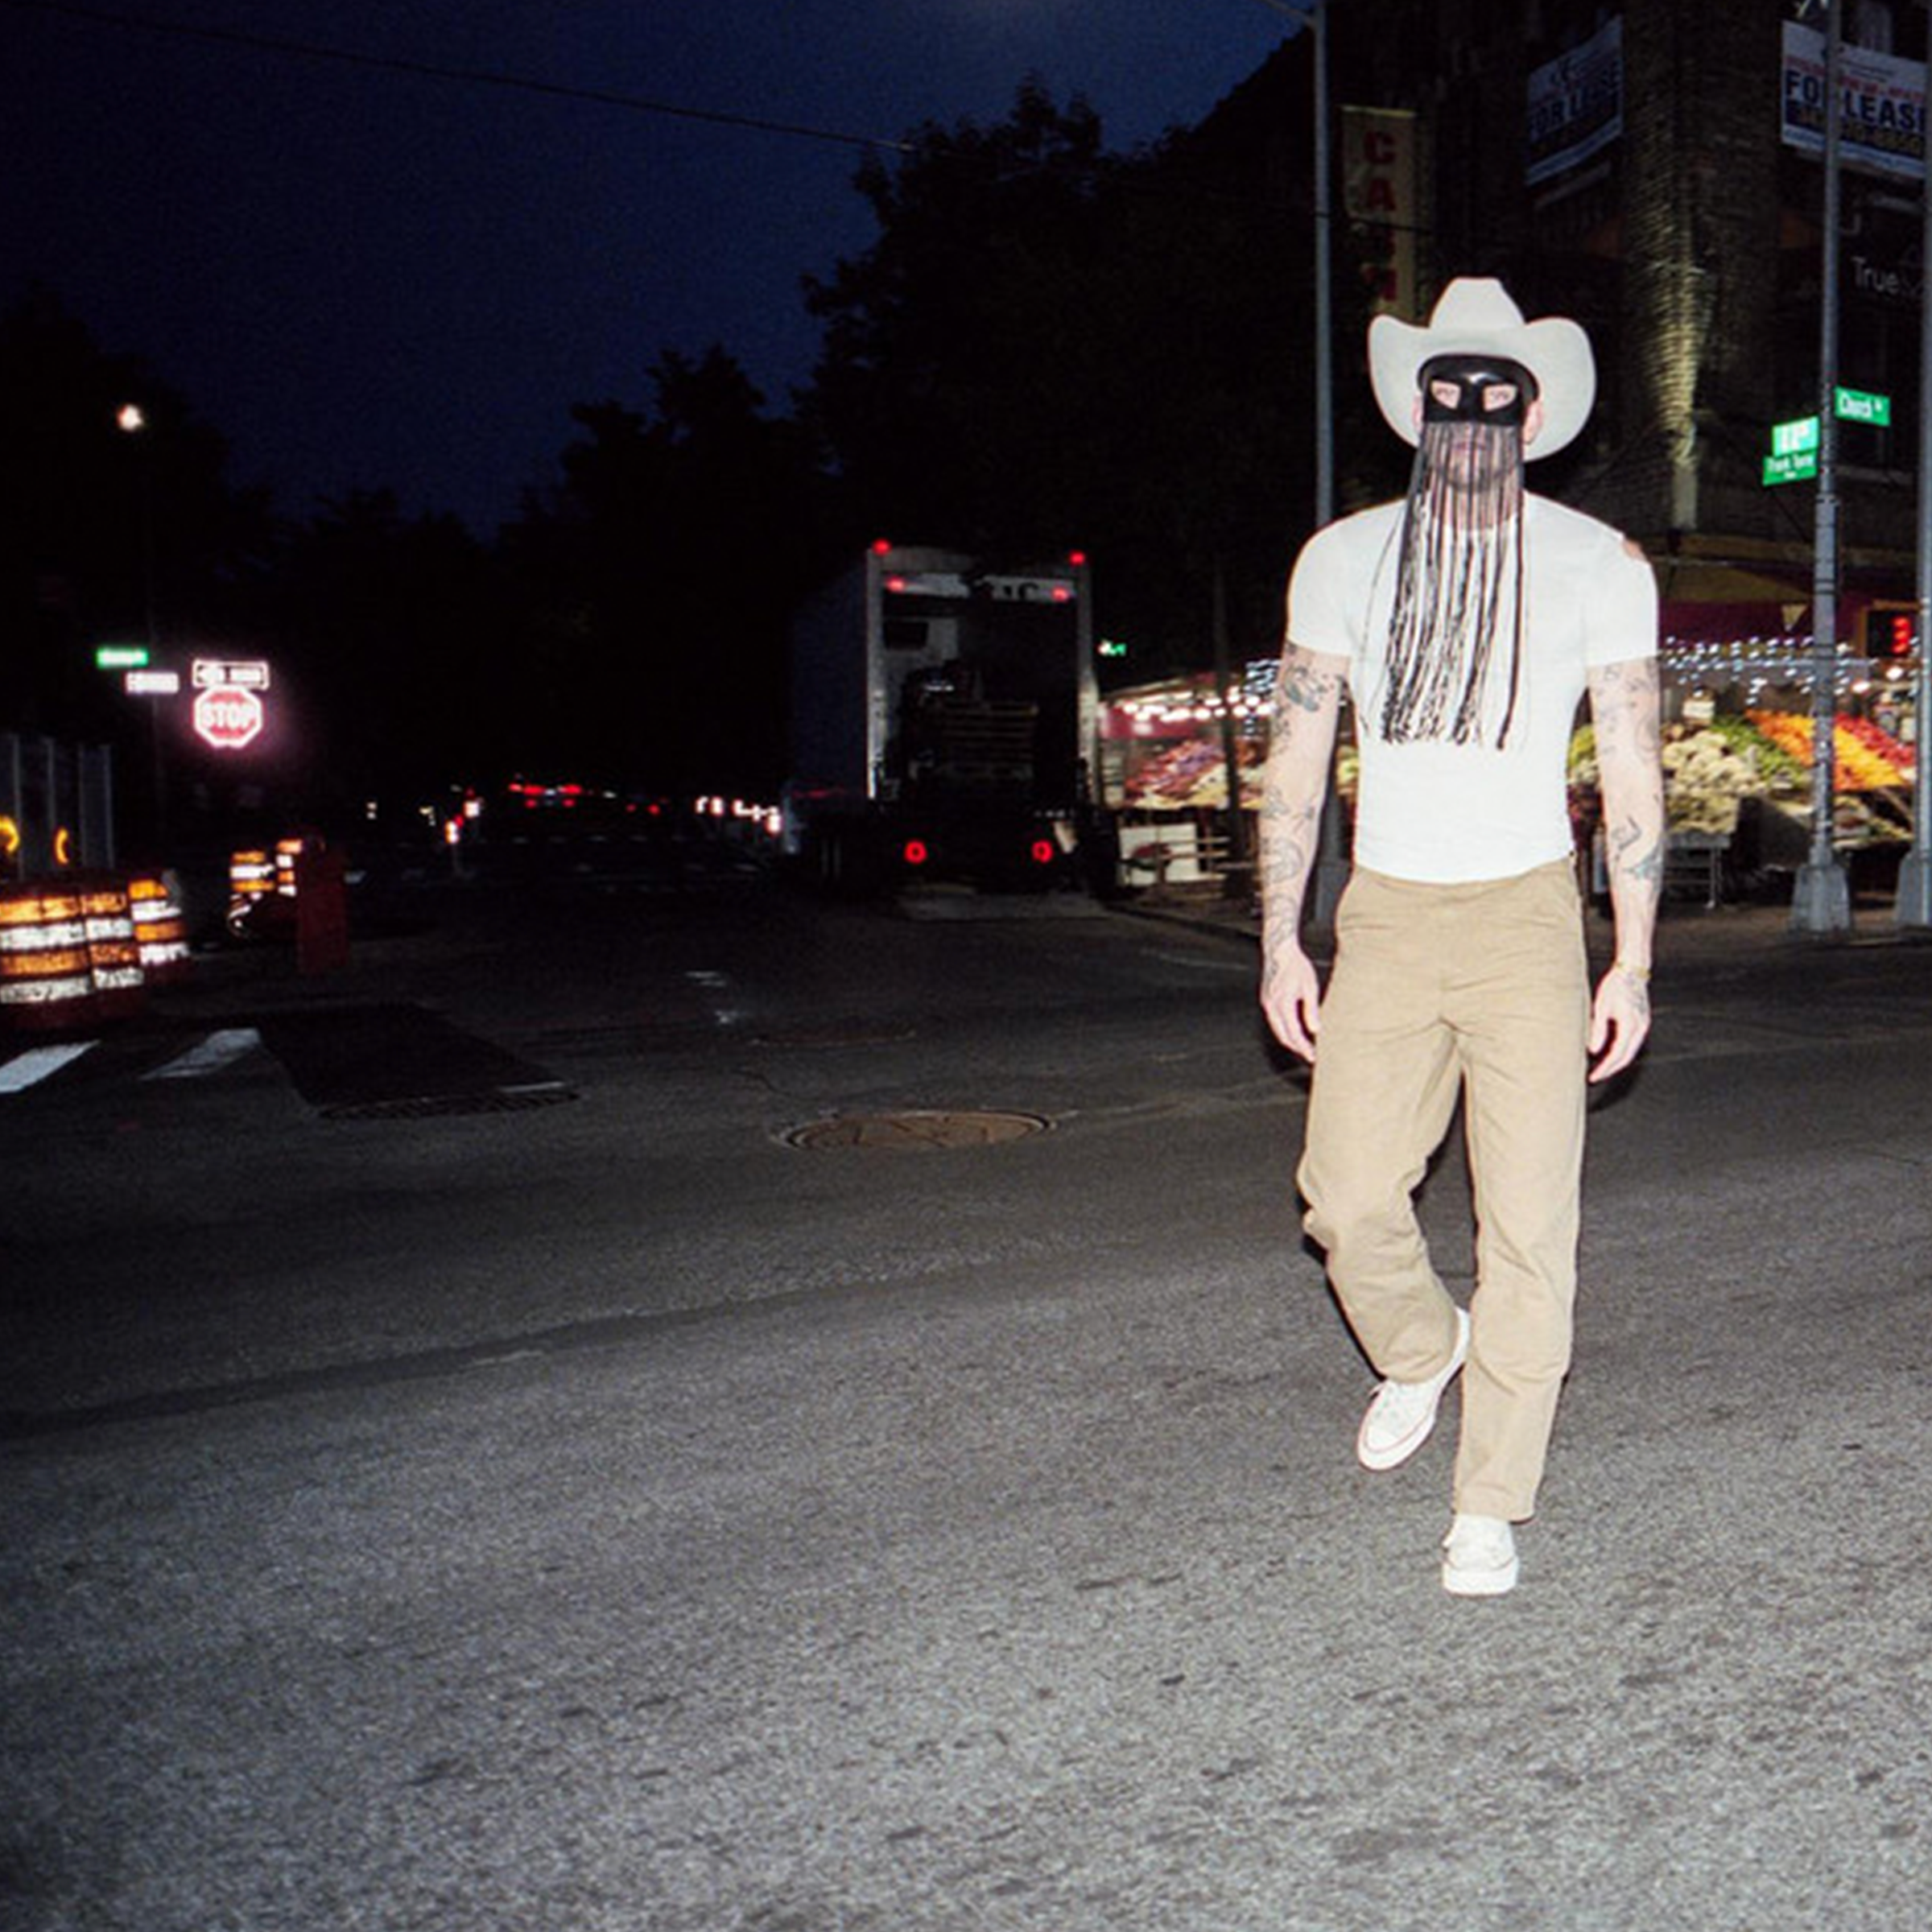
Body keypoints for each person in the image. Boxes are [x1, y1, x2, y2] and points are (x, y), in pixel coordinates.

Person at [1257, 278, 1665, 1598]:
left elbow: (1636, 769)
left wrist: (1633, 959)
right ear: (1415, 410)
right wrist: (1280, 939)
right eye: (1451, 392)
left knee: (1529, 1229)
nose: (1475, 415)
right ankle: (1424, 1350)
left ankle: (1491, 1500)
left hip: (1528, 918)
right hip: (1385, 914)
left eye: (1499, 394)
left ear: (1534, 415)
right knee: (1345, 1196)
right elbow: (1297, 758)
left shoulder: (1603, 564)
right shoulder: (1341, 559)